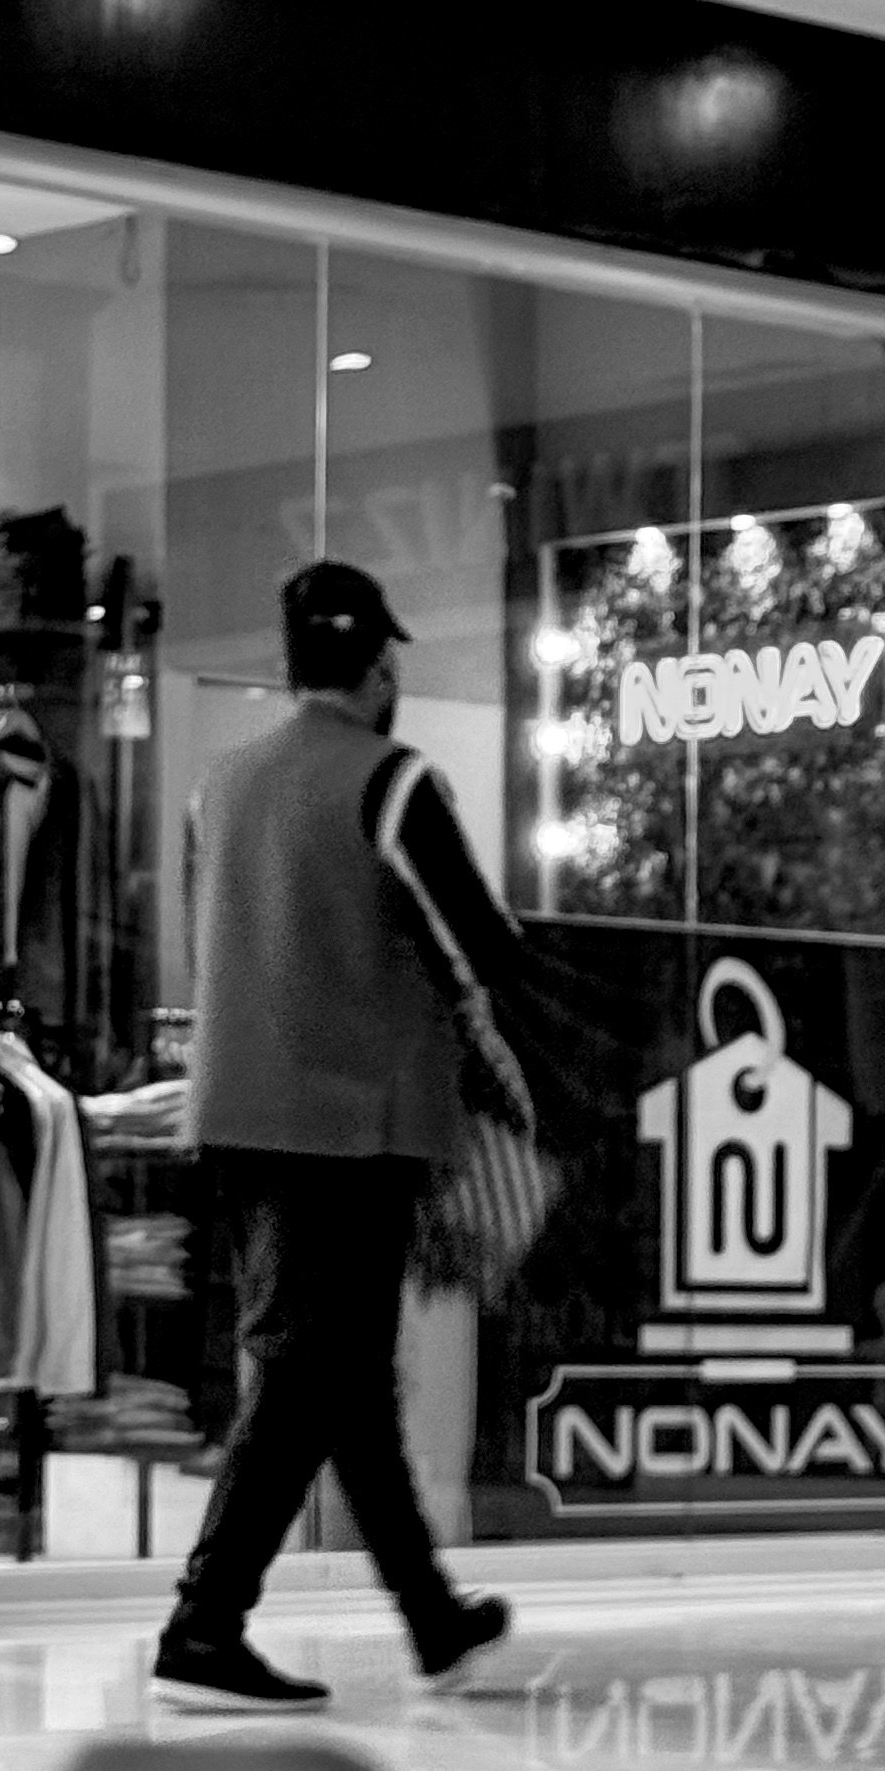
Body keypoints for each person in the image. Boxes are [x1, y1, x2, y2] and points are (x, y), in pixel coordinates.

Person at [154, 560, 531, 1712]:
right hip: (356, 1127)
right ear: (378, 664)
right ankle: (203, 1626)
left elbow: (207, 944)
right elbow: (482, 945)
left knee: (345, 1377)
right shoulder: (393, 780)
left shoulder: (219, 786)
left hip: (238, 1114)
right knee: (307, 1375)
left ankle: (431, 1620)